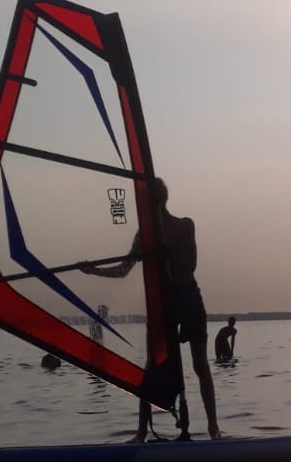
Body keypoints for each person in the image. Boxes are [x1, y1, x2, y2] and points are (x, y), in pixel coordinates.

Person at [82, 178, 220, 441]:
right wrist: (92, 270)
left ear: (156, 201)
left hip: (189, 297)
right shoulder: (143, 236)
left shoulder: (185, 225)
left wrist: (161, 251)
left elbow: (190, 264)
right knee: (151, 366)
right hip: (164, 305)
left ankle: (214, 429)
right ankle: (141, 432)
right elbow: (123, 270)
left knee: (200, 364)